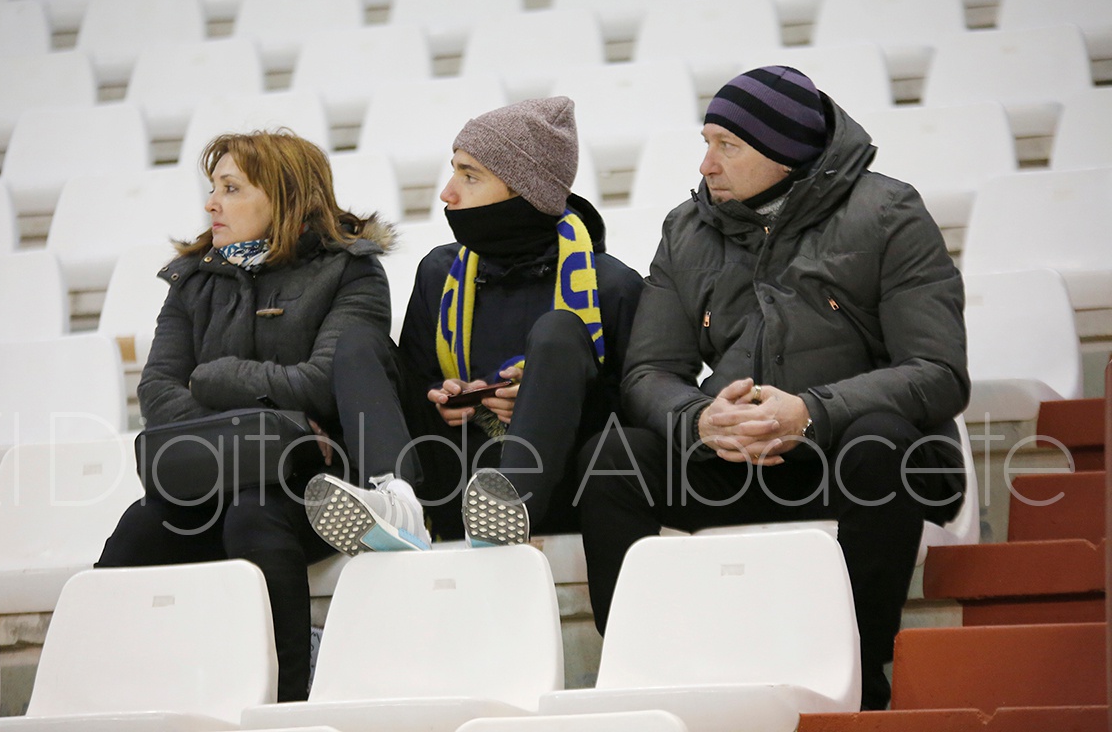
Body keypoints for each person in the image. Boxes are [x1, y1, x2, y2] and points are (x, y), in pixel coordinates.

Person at [577, 66, 969, 711]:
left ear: (785, 152)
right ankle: (637, 672)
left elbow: (937, 371)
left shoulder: (888, 213)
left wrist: (812, 412)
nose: (706, 164)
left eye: (727, 146)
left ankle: (860, 678)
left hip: (850, 459)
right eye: (707, 143)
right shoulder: (686, 229)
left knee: (881, 443)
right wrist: (700, 421)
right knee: (613, 458)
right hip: (732, 458)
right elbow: (649, 373)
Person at [96, 130, 413, 702]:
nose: (211, 204)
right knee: (138, 530)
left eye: (231, 188)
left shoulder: (351, 271)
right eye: (212, 188)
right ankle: (109, 700)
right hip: (209, 476)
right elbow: (158, 393)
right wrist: (271, 417)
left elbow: (323, 382)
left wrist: (217, 378)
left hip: (310, 479)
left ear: (284, 196)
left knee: (254, 515)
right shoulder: (192, 279)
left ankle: (288, 701)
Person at [303, 97, 644, 552]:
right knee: (359, 341)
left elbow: (634, 416)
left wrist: (545, 395)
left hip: (562, 483)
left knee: (558, 332)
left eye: (469, 176)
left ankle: (510, 504)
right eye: (454, 172)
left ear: (526, 191)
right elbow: (417, 386)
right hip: (451, 478)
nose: (447, 193)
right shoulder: (439, 272)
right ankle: (397, 502)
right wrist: (444, 397)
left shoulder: (612, 284)